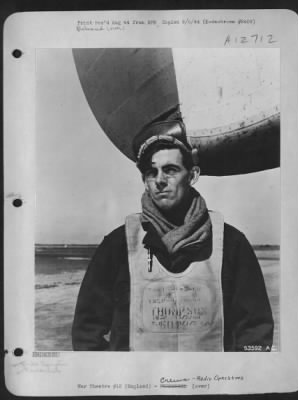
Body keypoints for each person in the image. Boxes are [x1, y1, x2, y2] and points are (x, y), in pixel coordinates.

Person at [72, 119, 274, 352]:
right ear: (144, 181)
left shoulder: (230, 243)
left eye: (170, 170)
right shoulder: (119, 245)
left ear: (193, 175)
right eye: (151, 172)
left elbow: (255, 332)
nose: (159, 180)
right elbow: (87, 330)